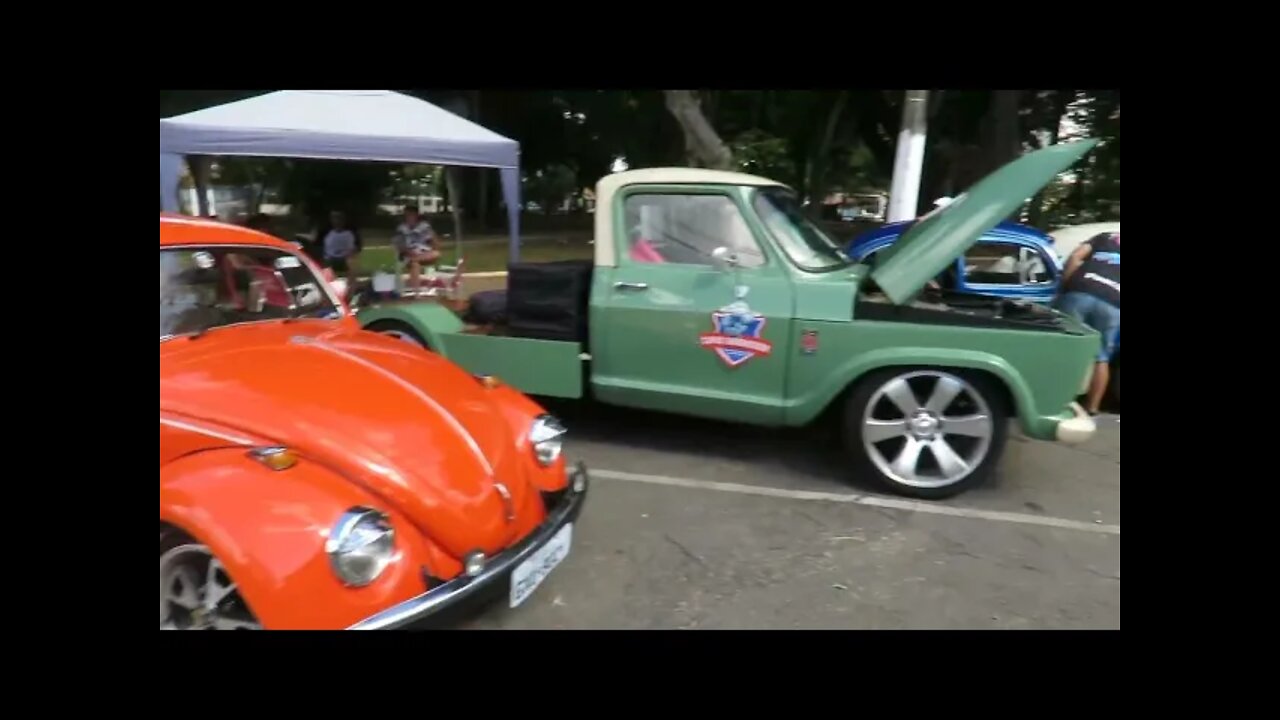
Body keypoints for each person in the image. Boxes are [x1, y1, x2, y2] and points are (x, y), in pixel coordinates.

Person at [1055, 231, 1120, 415]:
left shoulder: (1107, 236)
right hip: (1114, 303)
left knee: (1066, 346)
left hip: (1081, 291)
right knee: (1101, 357)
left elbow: (1076, 257)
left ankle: (1058, 400)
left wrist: (1066, 286)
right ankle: (1092, 407)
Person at [392, 205, 441, 293]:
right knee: (415, 264)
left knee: (436, 253)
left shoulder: (424, 227)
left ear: (416, 215)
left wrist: (433, 238)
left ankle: (414, 260)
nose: (409, 217)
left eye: (411, 215)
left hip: (423, 254)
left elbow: (435, 243)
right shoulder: (401, 229)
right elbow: (399, 246)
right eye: (407, 215)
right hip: (408, 255)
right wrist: (409, 252)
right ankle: (416, 293)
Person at [320, 210, 360, 285]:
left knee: (352, 262)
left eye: (339, 218)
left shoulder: (349, 234)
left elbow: (354, 249)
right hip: (330, 260)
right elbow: (323, 249)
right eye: (334, 218)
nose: (336, 221)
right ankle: (328, 284)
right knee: (326, 265)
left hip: (344, 259)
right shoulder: (327, 233)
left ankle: (350, 285)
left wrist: (350, 254)